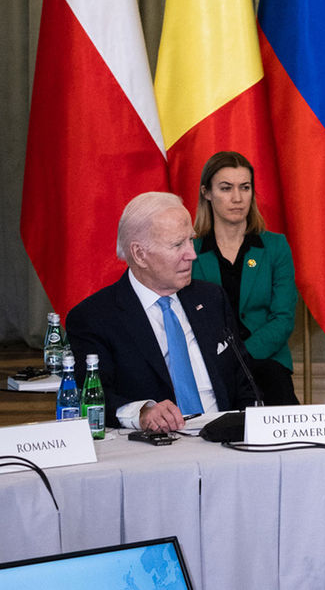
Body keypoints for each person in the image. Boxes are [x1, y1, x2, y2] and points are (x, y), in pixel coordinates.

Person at [67, 192, 257, 432]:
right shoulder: (94, 318)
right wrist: (142, 412)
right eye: (177, 245)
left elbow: (245, 382)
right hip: (155, 450)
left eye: (190, 240)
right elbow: (93, 397)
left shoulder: (211, 299)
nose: (192, 254)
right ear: (139, 254)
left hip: (224, 441)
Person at [191, 151, 299, 405]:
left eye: (245, 187)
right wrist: (221, 359)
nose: (237, 198)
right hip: (209, 362)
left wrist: (239, 355)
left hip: (266, 359)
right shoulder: (191, 251)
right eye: (226, 188)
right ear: (206, 193)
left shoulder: (275, 246)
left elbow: (283, 319)